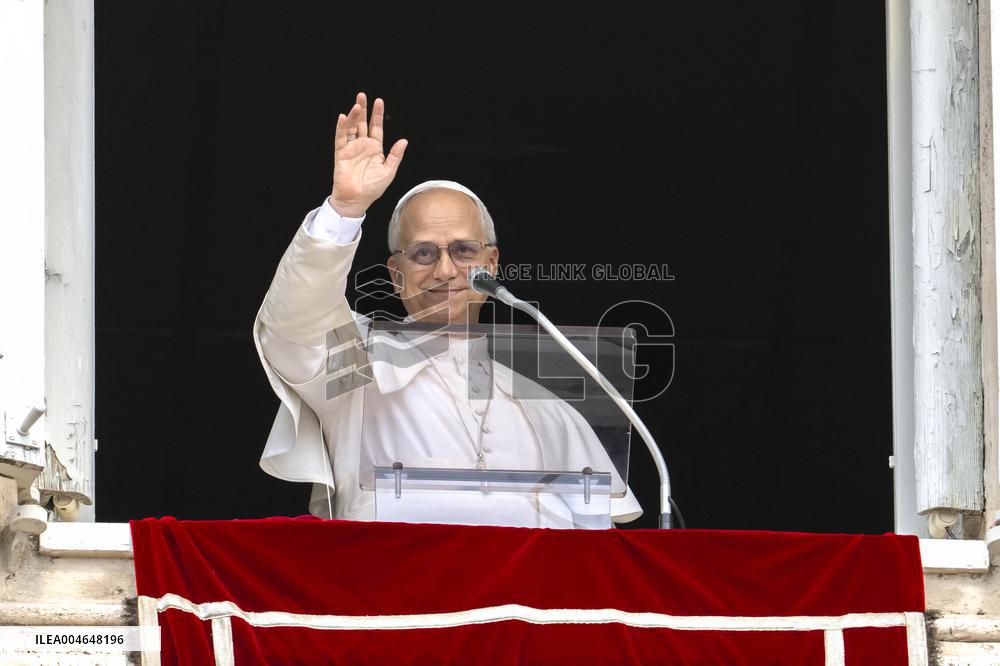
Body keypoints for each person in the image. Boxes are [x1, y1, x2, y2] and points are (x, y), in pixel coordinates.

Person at [254, 92, 641, 527]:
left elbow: (596, 542)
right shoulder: (356, 372)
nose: (444, 269)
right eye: (422, 253)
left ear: (491, 264)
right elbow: (294, 324)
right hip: (391, 590)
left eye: (463, 250)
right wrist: (344, 211)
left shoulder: (548, 407)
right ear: (395, 273)